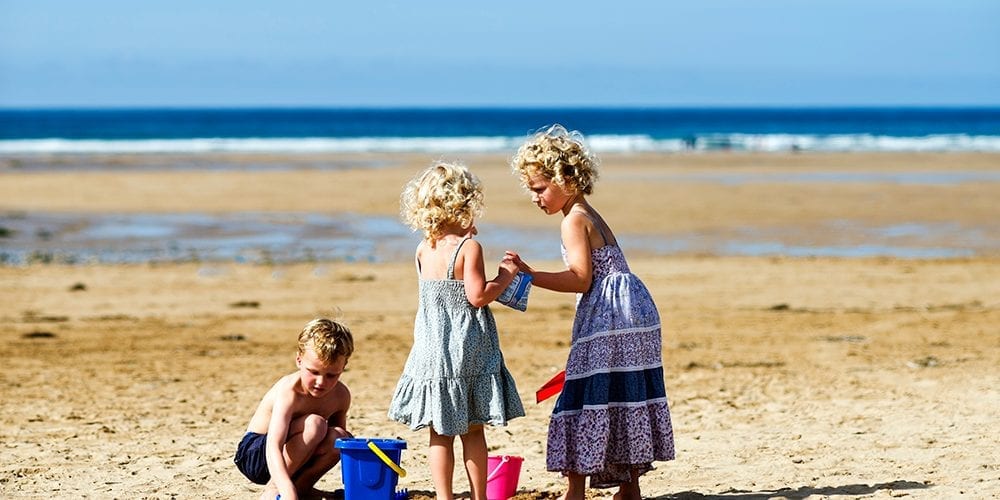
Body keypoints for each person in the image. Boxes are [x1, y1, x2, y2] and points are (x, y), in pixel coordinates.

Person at [506, 125, 675, 500]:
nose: (534, 198)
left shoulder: (573, 220)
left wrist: (531, 276)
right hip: (633, 310)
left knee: (585, 392)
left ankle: (576, 491)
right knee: (624, 392)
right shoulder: (588, 212)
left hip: (610, 314)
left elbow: (581, 279)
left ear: (566, 178)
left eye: (538, 189)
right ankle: (630, 488)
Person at [388, 161, 526, 500]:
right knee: (474, 430)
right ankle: (480, 496)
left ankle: (444, 496)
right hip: (466, 349)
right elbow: (477, 297)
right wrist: (506, 276)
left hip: (432, 349)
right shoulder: (469, 248)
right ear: (462, 205)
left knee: (440, 432)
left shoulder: (424, 248)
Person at [235, 318, 355, 500]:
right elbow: (273, 445)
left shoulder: (341, 395)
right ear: (299, 360)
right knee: (315, 424)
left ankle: (301, 488)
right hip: (257, 456)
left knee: (340, 437)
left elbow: (339, 445)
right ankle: (275, 490)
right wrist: (283, 488)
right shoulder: (290, 391)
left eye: (332, 375)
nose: (321, 382)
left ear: (343, 367)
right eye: (313, 372)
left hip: (295, 458)